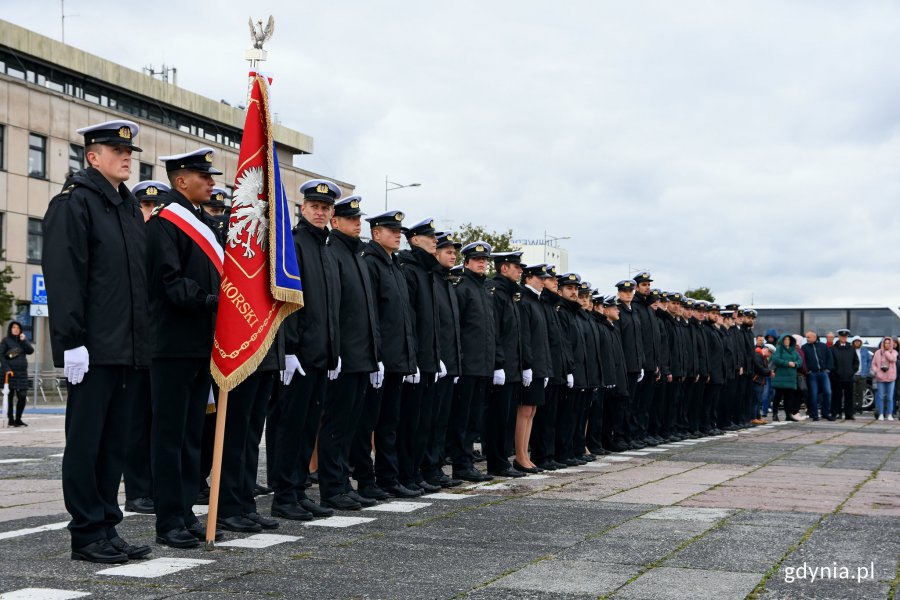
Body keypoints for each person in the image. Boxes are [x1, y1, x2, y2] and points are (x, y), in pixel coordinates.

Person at [43, 119, 151, 563]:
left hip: (126, 349)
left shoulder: (126, 208)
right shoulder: (74, 204)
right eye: (116, 150)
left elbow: (135, 284)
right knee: (86, 442)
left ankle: (107, 524)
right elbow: (65, 276)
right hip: (92, 350)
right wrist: (71, 341)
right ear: (92, 156)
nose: (126, 157)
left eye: (129, 152)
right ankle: (86, 532)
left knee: (114, 444)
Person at [147, 147, 223, 549]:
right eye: (203, 176)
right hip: (173, 345)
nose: (211, 182)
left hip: (199, 345)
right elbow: (170, 282)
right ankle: (167, 520)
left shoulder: (197, 222)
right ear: (181, 181)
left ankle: (186, 512)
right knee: (170, 435)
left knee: (193, 435)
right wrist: (213, 301)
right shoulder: (165, 223)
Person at [269, 181, 341, 521]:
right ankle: (284, 495)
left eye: (326, 208)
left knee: (308, 426)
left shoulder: (325, 249)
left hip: (320, 355)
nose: (320, 211)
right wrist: (289, 348)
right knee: (290, 426)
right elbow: (287, 300)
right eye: (314, 206)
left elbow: (331, 307)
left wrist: (333, 350)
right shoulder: (295, 244)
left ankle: (298, 491)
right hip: (298, 355)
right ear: (302, 208)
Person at [352, 210, 419, 502]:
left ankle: (387, 477)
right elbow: (371, 315)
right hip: (378, 359)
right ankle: (366, 480)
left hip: (397, 359)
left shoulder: (394, 266)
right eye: (391, 230)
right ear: (376, 233)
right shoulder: (371, 264)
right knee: (367, 423)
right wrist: (375, 355)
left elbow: (404, 318)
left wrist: (410, 357)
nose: (397, 235)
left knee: (389, 422)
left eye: (399, 231)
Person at [396, 217, 444, 492]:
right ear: (414, 240)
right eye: (430, 237)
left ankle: (415, 473)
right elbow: (409, 320)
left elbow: (431, 322)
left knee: (423, 421)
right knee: (409, 422)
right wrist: (411, 359)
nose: (435, 241)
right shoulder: (410, 270)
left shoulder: (428, 272)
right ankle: (406, 474)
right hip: (415, 360)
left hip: (428, 358)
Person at [449, 241, 496, 482]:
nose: (482, 263)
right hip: (467, 365)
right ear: (466, 262)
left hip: (483, 366)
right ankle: (461, 463)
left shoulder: (486, 290)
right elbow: (458, 329)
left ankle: (467, 461)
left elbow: (490, 331)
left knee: (475, 418)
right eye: (477, 260)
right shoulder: (462, 288)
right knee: (462, 418)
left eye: (485, 260)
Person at [422, 232, 463, 488]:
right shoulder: (433, 280)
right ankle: (427, 468)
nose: (453, 255)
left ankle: (435, 467)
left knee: (440, 421)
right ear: (435, 254)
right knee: (429, 420)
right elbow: (431, 324)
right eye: (447, 251)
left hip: (448, 362)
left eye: (453, 252)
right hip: (434, 361)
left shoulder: (447, 282)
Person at [516, 263, 552, 472]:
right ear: (528, 278)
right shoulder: (525, 300)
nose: (543, 282)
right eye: (540, 278)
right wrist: (527, 365)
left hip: (539, 365)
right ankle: (520, 456)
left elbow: (542, 339)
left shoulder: (536, 301)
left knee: (532, 410)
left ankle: (525, 456)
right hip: (530, 365)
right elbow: (525, 337)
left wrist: (544, 367)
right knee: (524, 410)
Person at [1, 321, 33, 427]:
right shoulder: (6, 341)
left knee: (22, 396)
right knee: (9, 397)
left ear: (20, 330)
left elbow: (30, 350)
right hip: (10, 373)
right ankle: (11, 419)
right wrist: (7, 369)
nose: (16, 329)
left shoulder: (22, 341)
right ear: (10, 329)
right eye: (14, 327)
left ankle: (18, 418)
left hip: (22, 374)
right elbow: (1, 356)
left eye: (18, 328)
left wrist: (24, 341)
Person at [801, 331, 834, 421]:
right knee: (814, 394)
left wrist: (828, 369)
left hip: (823, 373)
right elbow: (803, 361)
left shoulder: (823, 346)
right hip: (812, 374)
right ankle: (814, 414)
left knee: (828, 392)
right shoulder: (804, 348)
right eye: (806, 337)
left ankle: (826, 413)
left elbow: (829, 357)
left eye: (808, 337)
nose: (807, 339)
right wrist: (807, 371)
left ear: (814, 337)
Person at [771, 334, 802, 421]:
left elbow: (800, 360)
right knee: (778, 396)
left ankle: (788, 415)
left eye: (788, 339)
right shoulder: (779, 349)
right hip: (780, 377)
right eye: (785, 339)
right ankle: (775, 414)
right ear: (782, 340)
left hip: (791, 378)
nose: (787, 341)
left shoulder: (794, 350)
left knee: (789, 397)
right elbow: (775, 359)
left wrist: (795, 364)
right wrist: (787, 363)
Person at [831, 329, 860, 420]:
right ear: (839, 337)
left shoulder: (851, 348)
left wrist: (852, 371)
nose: (843, 338)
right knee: (836, 396)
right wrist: (835, 371)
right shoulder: (833, 348)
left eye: (845, 336)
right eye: (842, 336)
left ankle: (849, 414)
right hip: (837, 377)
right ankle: (836, 413)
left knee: (849, 397)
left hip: (849, 377)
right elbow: (831, 363)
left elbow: (856, 362)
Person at [870, 336, 897, 420]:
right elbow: (873, 364)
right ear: (883, 343)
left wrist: (886, 352)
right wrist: (876, 370)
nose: (887, 344)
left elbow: (892, 359)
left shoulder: (894, 352)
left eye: (889, 343)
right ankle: (881, 414)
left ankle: (889, 414)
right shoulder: (877, 352)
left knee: (889, 397)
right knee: (881, 397)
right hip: (880, 377)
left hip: (891, 377)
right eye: (885, 343)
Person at [752, 344, 775, 423]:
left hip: (760, 381)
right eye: (770, 352)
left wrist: (768, 372)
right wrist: (769, 372)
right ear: (765, 349)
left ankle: (758, 416)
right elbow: (759, 368)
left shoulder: (763, 357)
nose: (770, 354)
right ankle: (753, 417)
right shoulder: (758, 355)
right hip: (756, 380)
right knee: (755, 400)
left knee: (758, 400)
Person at [852, 336, 872, 414]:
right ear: (853, 342)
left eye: (858, 341)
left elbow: (869, 361)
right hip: (853, 375)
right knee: (853, 392)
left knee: (861, 392)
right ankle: (853, 407)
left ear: (860, 342)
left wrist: (867, 371)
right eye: (855, 341)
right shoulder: (851, 350)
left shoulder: (865, 351)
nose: (857, 342)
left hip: (862, 375)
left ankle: (859, 408)